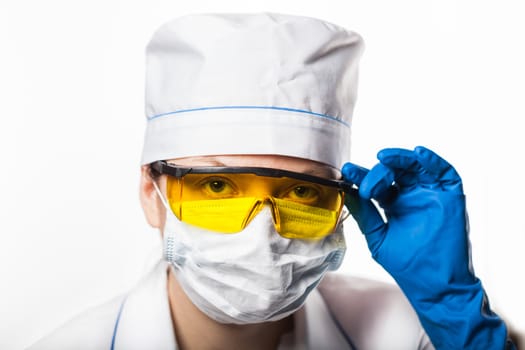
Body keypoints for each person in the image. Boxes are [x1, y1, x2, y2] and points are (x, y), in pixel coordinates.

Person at [29, 12, 515, 350]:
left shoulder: (411, 332)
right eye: (218, 187)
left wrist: (454, 311)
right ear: (151, 196)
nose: (261, 234)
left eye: (303, 191)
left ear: (341, 207)